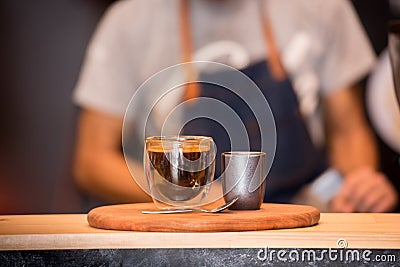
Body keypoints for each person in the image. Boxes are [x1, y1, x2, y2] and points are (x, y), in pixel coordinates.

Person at [72, 0, 398, 211]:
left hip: (303, 221)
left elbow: (348, 129)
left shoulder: (323, 8)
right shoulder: (129, 21)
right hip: (187, 233)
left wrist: (359, 184)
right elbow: (92, 160)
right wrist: (190, 195)